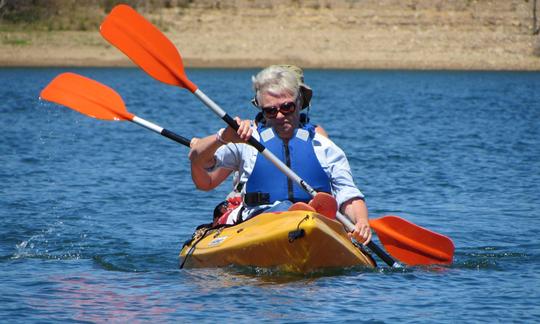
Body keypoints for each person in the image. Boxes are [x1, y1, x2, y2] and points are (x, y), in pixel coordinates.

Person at [189, 65, 371, 244]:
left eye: (287, 107)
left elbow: (348, 194)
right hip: (259, 222)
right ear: (261, 109)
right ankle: (293, 215)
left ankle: (303, 218)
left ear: (299, 102)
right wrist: (222, 137)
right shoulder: (246, 141)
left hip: (315, 224)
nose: (279, 116)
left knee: (311, 219)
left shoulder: (324, 147)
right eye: (270, 110)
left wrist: (361, 221)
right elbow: (199, 160)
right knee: (285, 210)